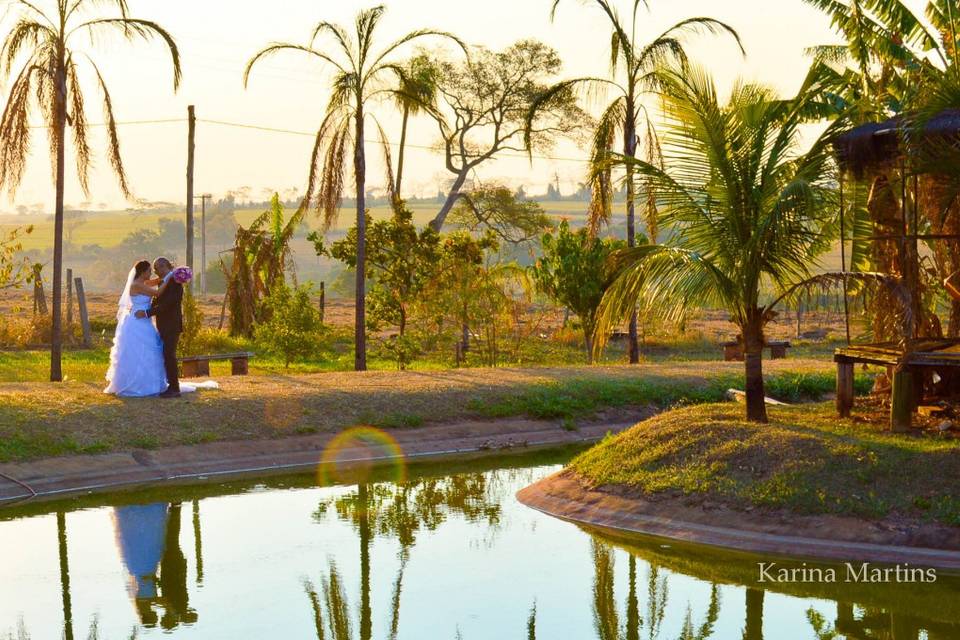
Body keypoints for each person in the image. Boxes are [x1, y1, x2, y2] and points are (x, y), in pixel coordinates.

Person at [104, 260, 170, 397]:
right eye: (149, 271)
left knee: (147, 351)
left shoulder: (141, 283)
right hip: (138, 322)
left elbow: (154, 282)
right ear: (143, 272)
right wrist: (169, 278)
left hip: (143, 320)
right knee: (139, 352)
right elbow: (157, 294)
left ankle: (147, 382)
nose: (151, 273)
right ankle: (139, 384)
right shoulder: (137, 286)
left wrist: (164, 277)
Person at [136, 257, 184, 399]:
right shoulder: (165, 281)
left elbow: (167, 304)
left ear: (164, 267)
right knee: (166, 355)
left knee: (169, 355)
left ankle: (174, 388)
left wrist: (146, 312)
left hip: (171, 325)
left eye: (157, 268)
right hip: (165, 325)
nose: (155, 271)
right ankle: (171, 385)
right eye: (154, 269)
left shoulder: (174, 281)